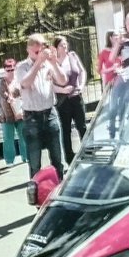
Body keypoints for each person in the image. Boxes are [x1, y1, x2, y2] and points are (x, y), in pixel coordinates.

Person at [16, 34, 68, 181]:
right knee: (34, 161)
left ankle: (59, 186)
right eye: (36, 52)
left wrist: (54, 63)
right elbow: (25, 84)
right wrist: (38, 63)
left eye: (41, 51)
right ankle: (37, 191)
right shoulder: (22, 67)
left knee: (57, 158)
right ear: (28, 50)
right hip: (32, 117)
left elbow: (63, 80)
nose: (40, 55)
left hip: (50, 113)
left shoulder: (48, 65)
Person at [53, 36, 87, 165]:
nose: (65, 47)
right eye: (62, 45)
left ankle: (87, 153)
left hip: (76, 97)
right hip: (63, 101)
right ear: (56, 47)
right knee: (66, 130)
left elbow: (82, 71)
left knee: (82, 126)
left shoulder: (72, 56)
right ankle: (69, 157)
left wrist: (82, 85)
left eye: (65, 44)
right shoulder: (53, 62)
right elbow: (50, 82)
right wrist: (62, 90)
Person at [0, 58, 25, 169]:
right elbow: (3, 93)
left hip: (20, 113)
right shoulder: (1, 82)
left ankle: (26, 157)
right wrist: (9, 97)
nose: (10, 72)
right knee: (8, 138)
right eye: (8, 70)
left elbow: (23, 91)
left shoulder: (19, 80)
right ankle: (9, 160)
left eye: (12, 69)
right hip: (7, 115)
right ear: (4, 70)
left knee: (23, 136)